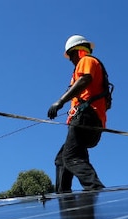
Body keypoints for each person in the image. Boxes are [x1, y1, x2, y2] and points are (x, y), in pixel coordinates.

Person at [47, 35, 110, 193]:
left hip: (86, 118)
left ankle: (96, 189)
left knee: (71, 157)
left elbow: (84, 80)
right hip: (90, 122)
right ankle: (63, 197)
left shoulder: (87, 60)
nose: (70, 60)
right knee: (61, 159)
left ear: (78, 51)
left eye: (71, 55)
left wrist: (60, 102)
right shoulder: (84, 67)